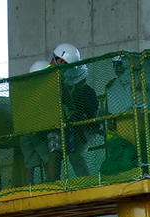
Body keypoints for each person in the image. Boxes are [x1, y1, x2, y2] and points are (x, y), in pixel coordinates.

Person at [20, 43, 98, 183]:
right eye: (67, 66)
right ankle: (53, 184)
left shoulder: (30, 78)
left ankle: (29, 189)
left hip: (28, 125)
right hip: (50, 122)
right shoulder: (55, 76)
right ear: (62, 62)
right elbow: (67, 101)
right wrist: (69, 112)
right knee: (54, 153)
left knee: (31, 162)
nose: (66, 71)